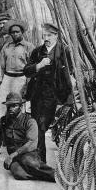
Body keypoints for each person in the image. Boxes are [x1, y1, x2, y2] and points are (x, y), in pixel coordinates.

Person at [0, 92, 56, 182]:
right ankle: (40, 175)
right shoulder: (3, 121)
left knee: (28, 161)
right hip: (14, 158)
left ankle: (56, 176)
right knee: (19, 174)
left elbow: (32, 143)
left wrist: (13, 155)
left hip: (29, 155)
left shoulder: (29, 121)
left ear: (21, 106)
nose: (11, 108)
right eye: (9, 106)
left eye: (14, 106)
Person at [23, 22, 74, 163]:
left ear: (56, 35)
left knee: (45, 128)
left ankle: (45, 162)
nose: (46, 38)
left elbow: (70, 78)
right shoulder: (37, 52)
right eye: (44, 35)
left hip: (56, 98)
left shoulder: (64, 52)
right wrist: (38, 66)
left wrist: (68, 101)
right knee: (38, 127)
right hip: (37, 97)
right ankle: (40, 161)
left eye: (49, 35)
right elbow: (26, 71)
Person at [0, 19, 34, 136]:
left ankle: (18, 139)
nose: (15, 34)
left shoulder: (29, 47)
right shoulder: (6, 47)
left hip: (21, 79)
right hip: (6, 79)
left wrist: (28, 86)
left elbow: (31, 70)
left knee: (17, 109)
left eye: (17, 32)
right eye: (13, 32)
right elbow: (0, 68)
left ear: (22, 32)